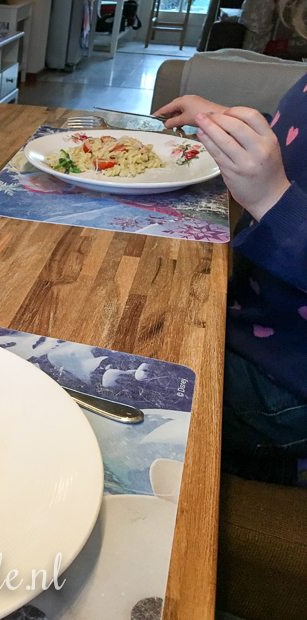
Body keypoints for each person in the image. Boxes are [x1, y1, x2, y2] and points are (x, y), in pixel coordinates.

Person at [153, 2, 307, 486]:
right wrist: (229, 124)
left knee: (119, 382)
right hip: (244, 312)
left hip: (286, 382)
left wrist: (272, 198)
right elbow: (293, 141)